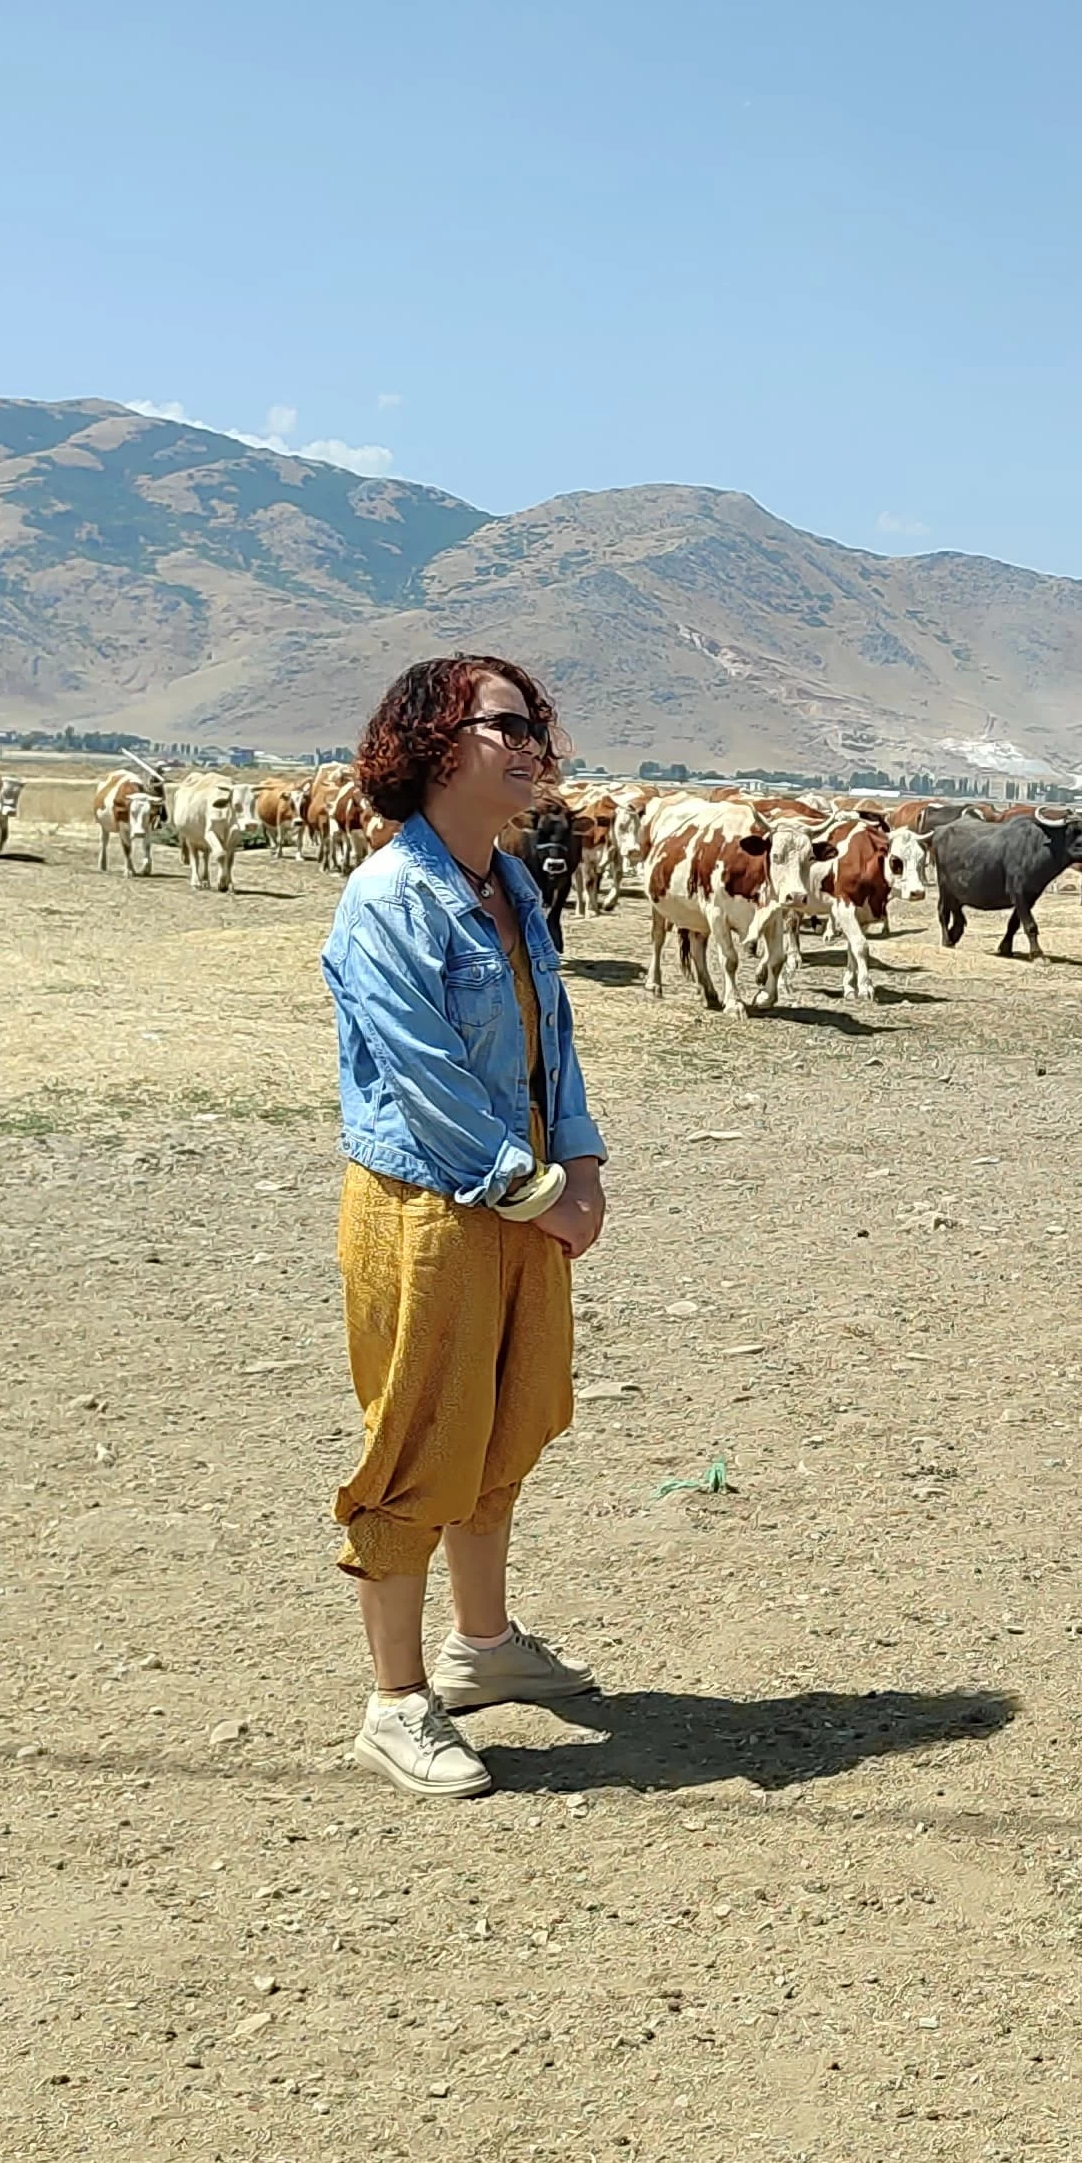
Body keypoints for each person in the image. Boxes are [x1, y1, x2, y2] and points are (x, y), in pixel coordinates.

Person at [320, 653, 612, 1797]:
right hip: (433, 1207)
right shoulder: (388, 897)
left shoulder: (514, 884)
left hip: (521, 1194)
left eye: (536, 719)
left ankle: (483, 1647)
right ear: (437, 743)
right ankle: (396, 1701)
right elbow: (426, 1075)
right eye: (507, 723)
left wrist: (578, 1158)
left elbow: (556, 1044)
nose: (533, 740)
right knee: (423, 1435)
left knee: (508, 1418)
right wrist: (535, 1189)